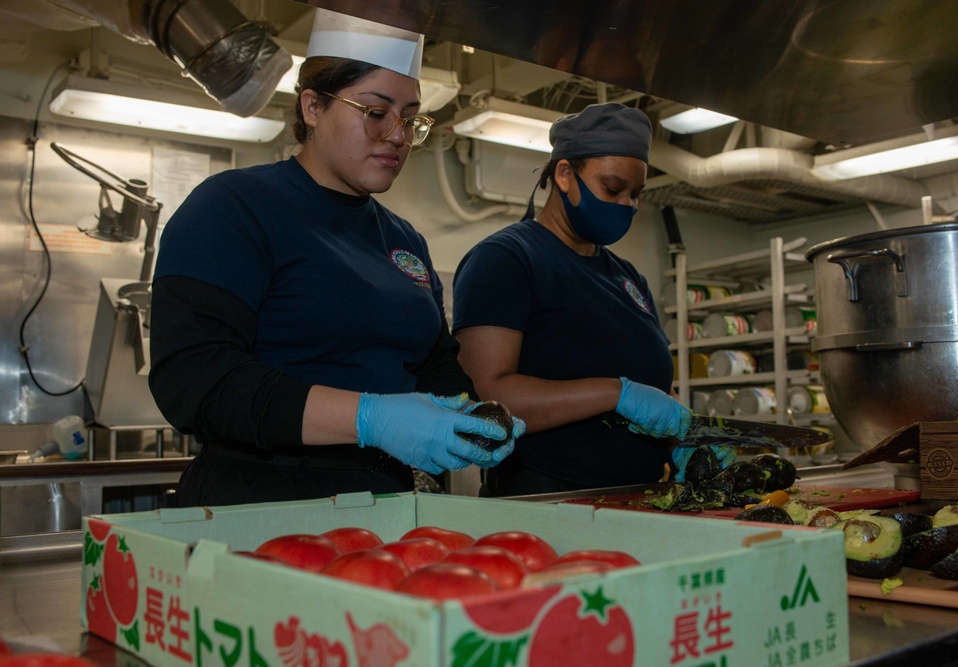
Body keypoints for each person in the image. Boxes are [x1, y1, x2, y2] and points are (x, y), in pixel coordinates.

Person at [148, 10, 521, 507]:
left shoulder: (404, 241)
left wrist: (472, 419)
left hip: (385, 504)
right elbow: (194, 380)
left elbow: (436, 369)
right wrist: (369, 419)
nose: (398, 135)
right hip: (258, 504)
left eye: (411, 119)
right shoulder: (233, 208)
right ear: (312, 106)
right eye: (375, 111)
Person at [451, 102, 691, 496]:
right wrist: (617, 395)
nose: (627, 205)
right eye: (613, 188)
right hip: (545, 500)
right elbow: (484, 396)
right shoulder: (508, 259)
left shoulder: (627, 277)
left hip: (639, 497)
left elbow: (649, 389)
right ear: (564, 174)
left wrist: (686, 434)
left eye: (635, 194)